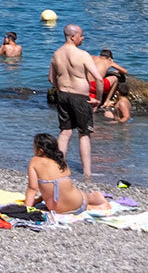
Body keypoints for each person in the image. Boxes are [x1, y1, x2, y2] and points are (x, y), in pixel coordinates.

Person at [49, 23, 104, 180]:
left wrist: (62, 88)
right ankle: (87, 173)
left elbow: (51, 78)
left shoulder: (56, 54)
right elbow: (99, 79)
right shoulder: (83, 55)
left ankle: (58, 168)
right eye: (81, 35)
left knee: (65, 132)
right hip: (80, 97)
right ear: (72, 37)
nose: (83, 37)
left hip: (63, 95)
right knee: (84, 134)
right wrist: (98, 99)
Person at [24, 132, 107, 214]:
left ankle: (96, 197)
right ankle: (93, 202)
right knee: (82, 195)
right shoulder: (60, 161)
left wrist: (26, 209)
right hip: (78, 205)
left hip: (59, 211)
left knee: (85, 196)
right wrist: (37, 201)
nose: (33, 150)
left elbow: (32, 188)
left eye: (34, 148)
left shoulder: (35, 161)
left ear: (40, 151)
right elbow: (56, 188)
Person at [95, 48, 130, 120]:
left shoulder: (93, 58)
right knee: (115, 79)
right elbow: (125, 71)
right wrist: (116, 70)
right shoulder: (109, 61)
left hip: (89, 84)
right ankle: (107, 101)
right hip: (98, 85)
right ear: (109, 57)